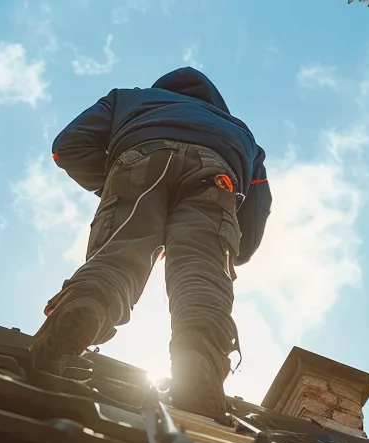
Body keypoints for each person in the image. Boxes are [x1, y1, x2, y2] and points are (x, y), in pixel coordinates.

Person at [32, 67, 272, 422]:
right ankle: (199, 360)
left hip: (141, 157)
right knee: (201, 275)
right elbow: (254, 217)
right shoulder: (243, 132)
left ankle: (85, 306)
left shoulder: (126, 98)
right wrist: (236, 244)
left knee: (120, 253)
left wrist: (115, 185)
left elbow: (67, 147)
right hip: (218, 175)